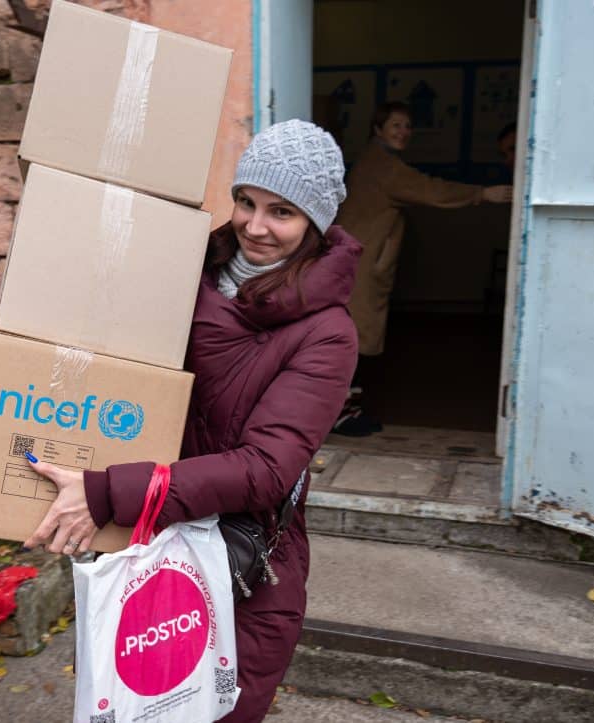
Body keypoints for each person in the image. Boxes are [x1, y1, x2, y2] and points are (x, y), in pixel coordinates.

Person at [23, 119, 360, 721]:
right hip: (144, 544)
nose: (254, 226)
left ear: (317, 223)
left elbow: (265, 470)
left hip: (240, 567)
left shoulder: (327, 334)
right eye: (245, 201)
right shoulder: (179, 276)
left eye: (281, 212)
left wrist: (106, 493)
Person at [332, 101, 513, 436]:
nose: (404, 132)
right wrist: (482, 193)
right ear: (378, 129)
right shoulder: (384, 166)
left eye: (407, 126)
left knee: (352, 337)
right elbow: (430, 190)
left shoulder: (379, 160)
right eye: (395, 125)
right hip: (359, 266)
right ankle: (341, 414)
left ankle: (346, 409)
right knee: (352, 340)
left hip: (355, 262)